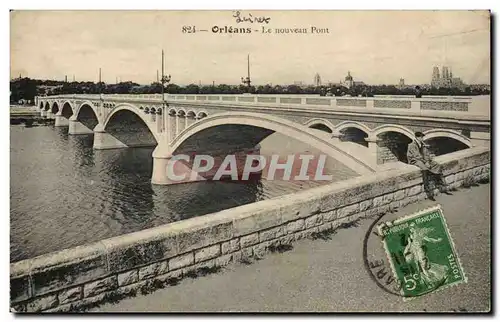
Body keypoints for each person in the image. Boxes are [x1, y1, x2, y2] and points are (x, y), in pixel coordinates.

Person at [407, 131, 448, 200]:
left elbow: (426, 154)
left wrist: (428, 161)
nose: (422, 138)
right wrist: (425, 162)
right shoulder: (412, 145)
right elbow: (417, 155)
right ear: (417, 137)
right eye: (421, 137)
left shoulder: (422, 144)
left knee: (437, 165)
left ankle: (439, 181)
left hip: (422, 159)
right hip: (414, 160)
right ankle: (427, 188)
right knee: (424, 168)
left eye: (422, 137)